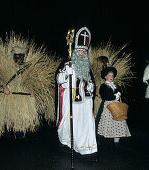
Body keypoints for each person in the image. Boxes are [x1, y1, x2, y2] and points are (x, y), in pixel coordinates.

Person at [56, 27, 97, 156]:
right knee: (71, 123)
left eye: (84, 51)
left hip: (85, 101)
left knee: (86, 123)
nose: (82, 53)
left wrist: (91, 87)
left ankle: (87, 147)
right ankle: (69, 144)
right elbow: (58, 80)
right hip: (71, 99)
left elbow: (91, 83)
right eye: (80, 50)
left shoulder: (87, 67)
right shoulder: (67, 64)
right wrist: (66, 74)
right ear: (75, 50)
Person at [95, 65, 131, 148]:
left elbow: (121, 93)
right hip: (108, 106)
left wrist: (118, 95)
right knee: (105, 122)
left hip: (116, 106)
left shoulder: (117, 86)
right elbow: (104, 96)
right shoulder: (103, 86)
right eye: (109, 75)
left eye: (112, 75)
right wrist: (114, 96)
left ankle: (116, 141)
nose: (111, 77)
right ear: (105, 77)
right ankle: (100, 138)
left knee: (118, 120)